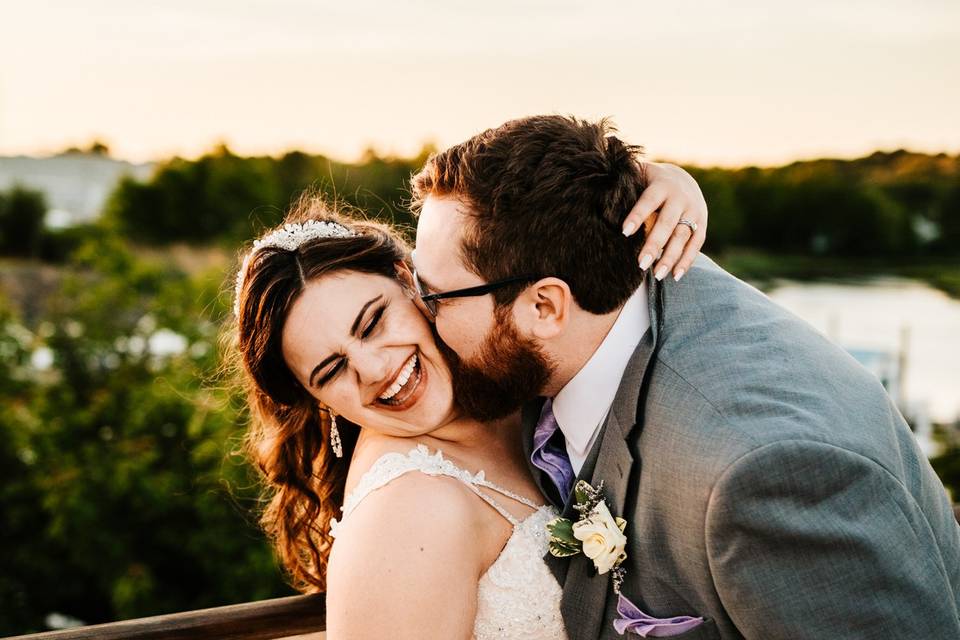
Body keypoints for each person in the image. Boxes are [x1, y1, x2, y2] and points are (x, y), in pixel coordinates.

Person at [410, 115, 960, 639]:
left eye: (434, 298)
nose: (421, 319)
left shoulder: (763, 476)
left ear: (545, 307)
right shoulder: (605, 269)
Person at [231, 160, 709, 639]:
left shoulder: (502, 363)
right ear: (317, 400)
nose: (374, 370)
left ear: (408, 279)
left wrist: (662, 181)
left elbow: (546, 199)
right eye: (332, 370)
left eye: (374, 323)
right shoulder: (403, 511)